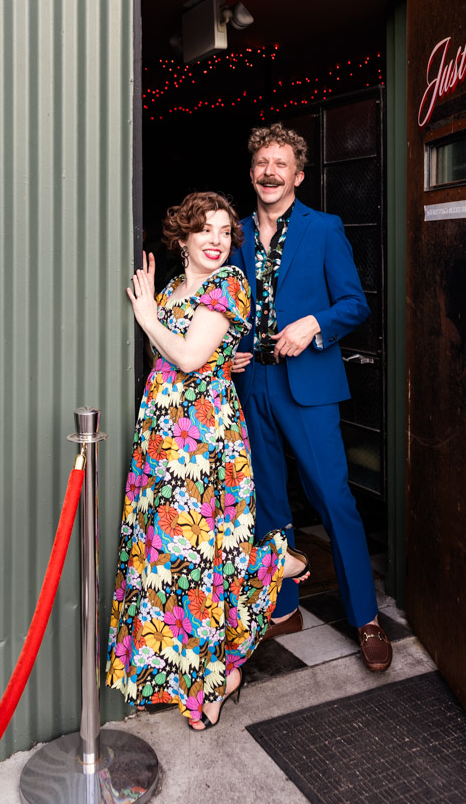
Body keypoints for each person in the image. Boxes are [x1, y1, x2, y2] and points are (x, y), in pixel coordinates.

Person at [106, 191, 309, 731]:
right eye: (206, 230)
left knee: (200, 552)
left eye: (225, 231)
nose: (218, 239)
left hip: (205, 437)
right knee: (176, 558)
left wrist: (148, 317)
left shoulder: (230, 284)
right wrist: (161, 322)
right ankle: (263, 574)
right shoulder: (173, 287)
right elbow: (168, 356)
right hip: (162, 434)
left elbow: (192, 357)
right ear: (183, 239)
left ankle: (217, 676)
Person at [230, 124, 392, 672]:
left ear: (297, 175)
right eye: (261, 163)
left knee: (332, 498)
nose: (269, 172)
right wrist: (228, 350)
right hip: (253, 383)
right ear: (252, 173)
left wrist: (313, 326)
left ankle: (366, 617)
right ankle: (283, 605)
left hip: (310, 383)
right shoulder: (235, 237)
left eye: (281, 163)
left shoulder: (325, 229)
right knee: (268, 500)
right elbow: (223, 307)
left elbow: (355, 303)